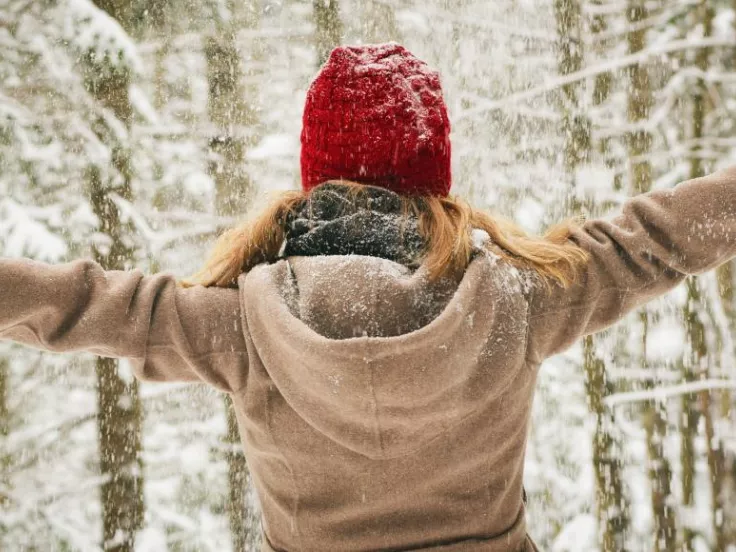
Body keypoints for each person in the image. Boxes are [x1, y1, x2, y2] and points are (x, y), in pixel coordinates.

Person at [1, 42, 735, 552]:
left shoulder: (242, 326)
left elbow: (82, 303)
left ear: (314, 174)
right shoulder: (516, 301)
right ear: (434, 174)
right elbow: (655, 238)